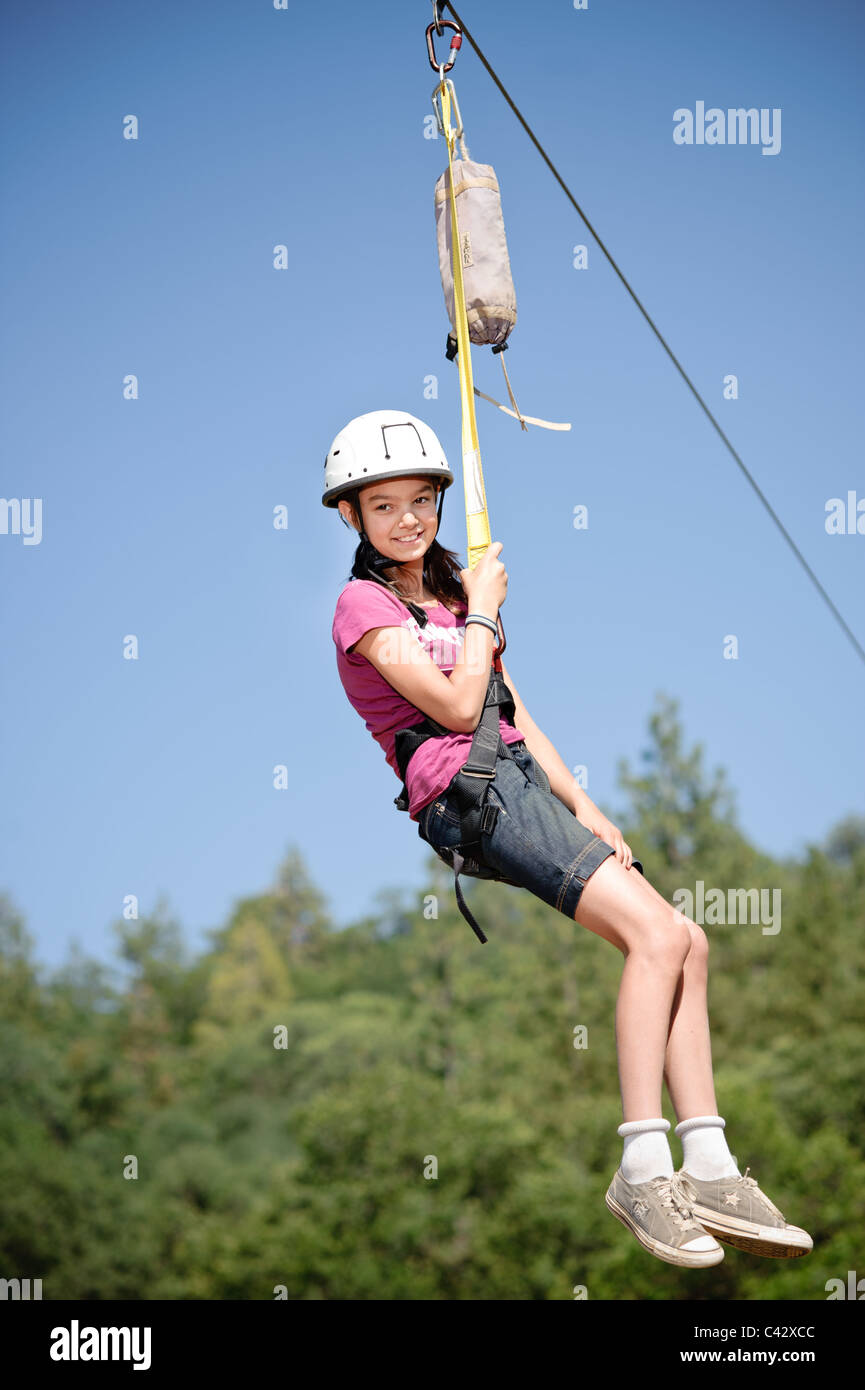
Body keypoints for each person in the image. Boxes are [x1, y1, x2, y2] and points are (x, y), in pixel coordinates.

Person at [323, 408, 813, 1268]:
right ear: (351, 518)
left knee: (687, 942)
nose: (407, 519)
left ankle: (708, 1163)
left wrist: (582, 801)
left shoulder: (446, 598)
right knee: (654, 936)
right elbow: (450, 707)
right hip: (467, 795)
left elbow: (511, 710)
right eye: (384, 506)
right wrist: (480, 611)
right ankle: (640, 1165)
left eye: (420, 502)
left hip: (516, 779)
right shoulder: (361, 605)